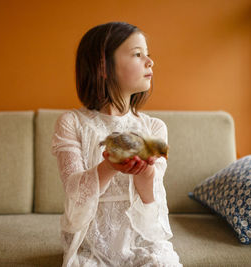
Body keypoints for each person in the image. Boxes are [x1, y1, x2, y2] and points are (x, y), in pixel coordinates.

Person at [51, 22, 182, 267]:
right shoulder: (72, 123)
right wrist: (109, 166)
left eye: (148, 54)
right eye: (137, 54)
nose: (149, 61)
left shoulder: (154, 129)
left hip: (143, 244)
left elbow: (153, 202)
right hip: (91, 246)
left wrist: (146, 170)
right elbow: (75, 195)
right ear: (103, 67)